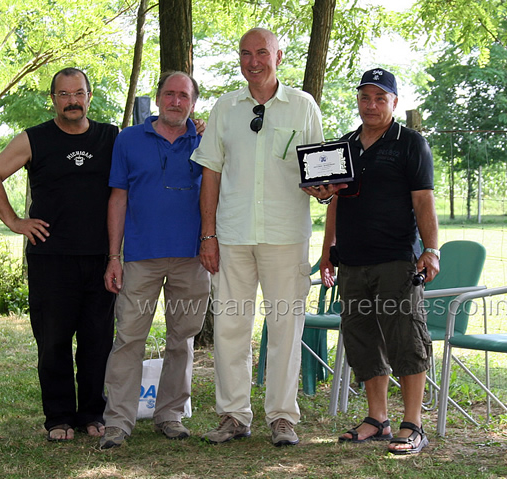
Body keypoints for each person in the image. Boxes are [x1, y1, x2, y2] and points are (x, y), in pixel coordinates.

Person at [192, 27, 329, 447]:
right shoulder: (225, 108)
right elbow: (210, 173)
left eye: (262, 53)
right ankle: (233, 415)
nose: (254, 61)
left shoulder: (303, 106)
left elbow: (318, 172)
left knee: (286, 325)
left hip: (286, 236)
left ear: (279, 56)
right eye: (246, 53)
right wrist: (208, 234)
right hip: (232, 235)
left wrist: (323, 188)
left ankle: (283, 417)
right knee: (231, 326)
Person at [0, 68, 118, 441]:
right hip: (50, 259)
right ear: (53, 99)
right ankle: (58, 417)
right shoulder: (33, 139)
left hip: (99, 258)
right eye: (63, 94)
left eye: (78, 93)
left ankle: (92, 413)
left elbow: (154, 139)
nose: (72, 100)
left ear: (90, 96)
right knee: (54, 341)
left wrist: (194, 128)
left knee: (97, 341)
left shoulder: (111, 137)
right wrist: (15, 221)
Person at [319, 67, 439, 455]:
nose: (371, 105)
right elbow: (334, 199)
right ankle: (377, 419)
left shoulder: (411, 144)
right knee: (362, 339)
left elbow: (423, 200)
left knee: (406, 339)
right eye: (365, 97)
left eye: (380, 98)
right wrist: (327, 252)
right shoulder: (344, 145)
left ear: (394, 102)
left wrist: (431, 249)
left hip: (397, 260)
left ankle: (413, 424)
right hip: (352, 262)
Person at [98, 71, 210, 449]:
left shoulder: (205, 140)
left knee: (183, 339)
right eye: (169, 94)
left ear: (193, 102)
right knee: (129, 337)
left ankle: (170, 414)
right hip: (141, 258)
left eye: (183, 96)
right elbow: (118, 198)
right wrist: (115, 256)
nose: (175, 101)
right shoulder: (129, 139)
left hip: (191, 258)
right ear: (158, 97)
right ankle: (118, 421)